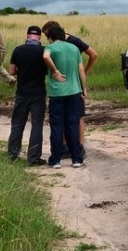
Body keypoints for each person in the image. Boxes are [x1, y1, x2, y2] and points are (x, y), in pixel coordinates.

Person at [42, 20, 98, 157]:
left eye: (47, 36)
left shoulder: (70, 42)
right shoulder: (71, 43)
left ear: (52, 33)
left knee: (71, 117)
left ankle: (75, 146)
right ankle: (71, 147)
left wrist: (86, 71)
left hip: (66, 86)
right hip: (72, 86)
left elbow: (94, 55)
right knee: (73, 117)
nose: (47, 40)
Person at [6, 25, 47, 166]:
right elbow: (48, 70)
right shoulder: (44, 51)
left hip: (22, 92)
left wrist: (21, 70)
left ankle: (13, 153)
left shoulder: (18, 50)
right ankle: (34, 157)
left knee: (17, 123)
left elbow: (11, 71)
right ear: (40, 37)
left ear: (27, 35)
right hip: (38, 93)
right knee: (37, 125)